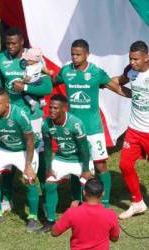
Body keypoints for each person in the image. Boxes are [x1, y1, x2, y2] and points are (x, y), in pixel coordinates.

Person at [53, 39, 131, 208]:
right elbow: (51, 82)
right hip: (73, 130)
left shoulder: (96, 72)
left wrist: (139, 95)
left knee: (100, 165)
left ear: (87, 54)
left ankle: (104, 202)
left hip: (94, 129)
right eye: (72, 54)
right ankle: (77, 201)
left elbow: (116, 87)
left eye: (78, 54)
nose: (74, 57)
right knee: (76, 166)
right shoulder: (66, 71)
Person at [0, 27, 52, 212]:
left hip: (32, 117)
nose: (10, 46)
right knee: (8, 154)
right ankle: (6, 198)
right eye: (7, 43)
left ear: (22, 44)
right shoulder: (0, 59)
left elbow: (47, 87)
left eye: (13, 43)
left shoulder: (32, 58)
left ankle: (43, 198)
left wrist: (25, 89)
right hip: (8, 117)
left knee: (38, 158)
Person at [0, 88, 39, 232]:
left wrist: (28, 165)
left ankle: (33, 218)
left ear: (7, 104)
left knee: (30, 179)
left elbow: (30, 141)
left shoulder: (20, 114)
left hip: (24, 151)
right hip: (5, 149)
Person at [39, 94, 94, 233]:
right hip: (61, 158)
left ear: (64, 109)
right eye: (50, 107)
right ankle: (50, 221)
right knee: (49, 184)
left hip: (80, 159)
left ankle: (87, 219)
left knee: (88, 188)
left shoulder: (76, 123)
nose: (51, 110)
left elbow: (84, 148)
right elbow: (48, 147)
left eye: (55, 108)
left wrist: (86, 169)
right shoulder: (46, 123)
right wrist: (48, 167)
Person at [113, 41, 149, 219]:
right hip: (134, 129)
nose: (133, 62)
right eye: (130, 58)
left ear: (146, 57)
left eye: (136, 59)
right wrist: (101, 82)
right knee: (124, 165)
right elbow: (119, 81)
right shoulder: (130, 70)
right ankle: (138, 203)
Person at [51, 178, 120, 250]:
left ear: (84, 192)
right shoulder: (110, 214)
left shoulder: (72, 212)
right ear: (103, 193)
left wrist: (70, 210)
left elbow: (54, 232)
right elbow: (115, 238)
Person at [22, 47, 51, 112]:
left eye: (28, 60)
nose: (26, 60)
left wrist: (23, 81)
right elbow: (44, 69)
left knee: (24, 93)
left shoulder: (30, 68)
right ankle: (42, 101)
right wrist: (49, 72)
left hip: (31, 82)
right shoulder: (39, 63)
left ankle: (32, 102)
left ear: (33, 60)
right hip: (38, 80)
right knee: (39, 92)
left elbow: (28, 78)